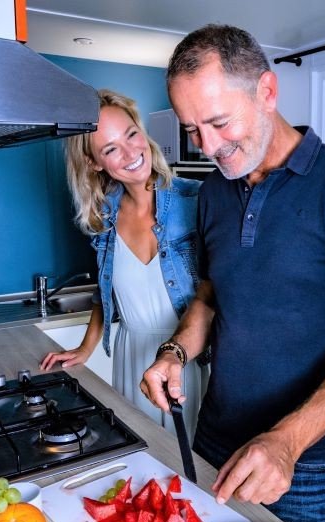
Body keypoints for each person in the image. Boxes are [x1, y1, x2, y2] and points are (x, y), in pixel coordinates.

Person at [139, 25, 325, 522]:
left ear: (266, 91)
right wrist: (174, 354)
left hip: (304, 460)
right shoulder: (214, 192)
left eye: (219, 122)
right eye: (192, 129)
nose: (208, 146)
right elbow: (210, 297)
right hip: (213, 438)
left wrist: (287, 440)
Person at [40, 89, 207, 439]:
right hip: (130, 355)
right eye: (111, 149)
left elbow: (219, 294)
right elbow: (105, 294)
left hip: (184, 362)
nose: (131, 153)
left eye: (131, 135)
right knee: (140, 454)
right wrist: (86, 348)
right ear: (94, 163)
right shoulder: (105, 216)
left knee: (189, 462)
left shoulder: (197, 200)